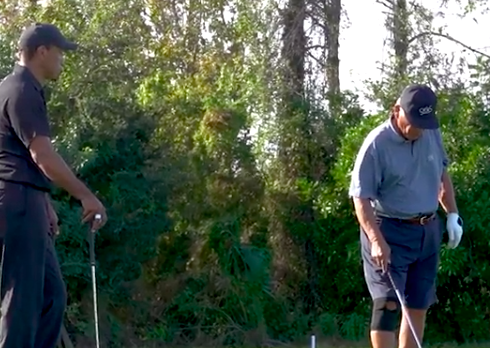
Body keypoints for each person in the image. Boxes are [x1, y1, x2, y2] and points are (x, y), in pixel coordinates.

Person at [0, 23, 108, 347]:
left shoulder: (15, 88)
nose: (62, 59)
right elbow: (42, 154)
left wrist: (44, 203)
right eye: (59, 52)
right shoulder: (21, 89)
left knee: (51, 297)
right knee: (20, 306)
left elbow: (15, 154)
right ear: (42, 51)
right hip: (16, 204)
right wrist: (87, 197)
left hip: (26, 199)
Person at [348, 84, 463, 348]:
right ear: (396, 110)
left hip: (427, 231)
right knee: (387, 305)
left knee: (418, 305)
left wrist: (452, 214)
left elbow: (441, 173)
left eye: (423, 122)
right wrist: (376, 241)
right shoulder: (377, 144)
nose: (417, 129)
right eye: (413, 122)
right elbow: (360, 197)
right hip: (388, 230)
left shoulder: (431, 132)